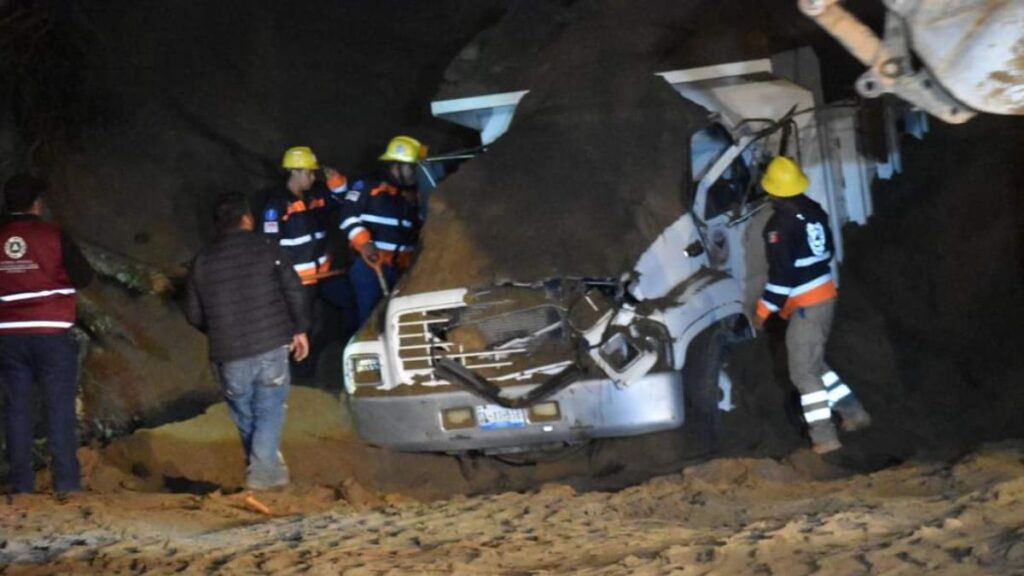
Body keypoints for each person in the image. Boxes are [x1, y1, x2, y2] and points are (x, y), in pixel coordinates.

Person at [185, 192, 310, 491]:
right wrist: (300, 328)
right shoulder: (267, 248)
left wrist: (218, 330)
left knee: (245, 415)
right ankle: (264, 476)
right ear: (246, 219)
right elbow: (294, 290)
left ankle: (269, 473)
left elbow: (192, 312)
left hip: (229, 354)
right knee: (269, 410)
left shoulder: (202, 261)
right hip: (271, 345)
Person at [753, 156, 871, 454]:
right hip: (824, 295)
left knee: (803, 374)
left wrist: (764, 309)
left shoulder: (778, 226)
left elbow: (783, 275)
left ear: (772, 190)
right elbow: (826, 251)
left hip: (807, 304)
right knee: (815, 364)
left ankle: (824, 437)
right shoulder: (814, 210)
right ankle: (853, 412)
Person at [0, 174, 94, 495]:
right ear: (37, 204)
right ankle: (66, 483)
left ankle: (21, 484)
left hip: (9, 338)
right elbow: (84, 277)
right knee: (59, 408)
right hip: (52, 335)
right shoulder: (53, 235)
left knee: (16, 410)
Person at [259, 146, 352, 376]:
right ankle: (298, 374)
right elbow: (269, 245)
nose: (313, 177)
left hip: (324, 274)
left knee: (350, 303)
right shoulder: (277, 205)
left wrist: (336, 180)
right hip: (299, 282)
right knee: (302, 326)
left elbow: (343, 200)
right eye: (309, 173)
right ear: (296, 172)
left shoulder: (315, 196)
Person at [339, 136, 424, 326]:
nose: (414, 173)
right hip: (371, 266)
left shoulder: (412, 194)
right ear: (397, 166)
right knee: (371, 320)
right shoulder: (367, 186)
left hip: (401, 269)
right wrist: (364, 244)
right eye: (412, 168)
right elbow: (347, 216)